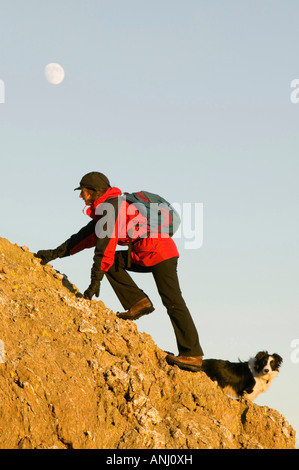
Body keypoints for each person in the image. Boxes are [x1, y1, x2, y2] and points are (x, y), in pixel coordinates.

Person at [36, 172, 204, 371]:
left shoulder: (112, 208)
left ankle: (192, 354)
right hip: (143, 252)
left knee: (172, 300)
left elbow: (104, 247)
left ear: (93, 191)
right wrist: (52, 254)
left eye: (82, 191)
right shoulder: (108, 209)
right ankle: (138, 302)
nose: (80, 196)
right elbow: (82, 238)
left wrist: (94, 280)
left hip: (160, 252)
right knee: (114, 262)